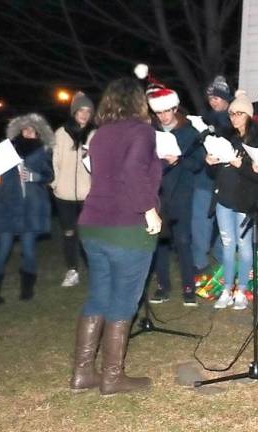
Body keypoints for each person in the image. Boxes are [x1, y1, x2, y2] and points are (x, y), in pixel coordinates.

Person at [70, 77, 162, 395]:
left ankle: (82, 373)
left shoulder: (99, 135)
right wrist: (148, 208)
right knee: (123, 301)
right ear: (139, 102)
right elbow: (133, 172)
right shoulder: (142, 131)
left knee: (98, 295)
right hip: (126, 227)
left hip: (93, 225)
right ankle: (112, 377)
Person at [206, 91, 258, 310]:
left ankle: (242, 289)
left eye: (239, 113)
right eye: (231, 114)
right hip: (224, 198)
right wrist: (211, 160)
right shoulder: (229, 137)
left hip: (244, 200)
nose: (234, 118)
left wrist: (243, 166)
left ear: (249, 115)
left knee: (245, 247)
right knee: (228, 245)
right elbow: (221, 166)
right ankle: (227, 288)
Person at [0, 113, 55, 305]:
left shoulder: (43, 151)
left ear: (38, 132)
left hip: (31, 208)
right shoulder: (7, 149)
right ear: (20, 130)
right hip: (8, 208)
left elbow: (49, 175)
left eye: (33, 129)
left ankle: (27, 287)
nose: (29, 131)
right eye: (26, 128)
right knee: (2, 249)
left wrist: (34, 177)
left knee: (29, 250)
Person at [146, 78, 203, 306]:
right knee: (159, 241)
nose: (163, 117)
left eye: (166, 111)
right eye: (158, 113)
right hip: (157, 193)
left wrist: (179, 160)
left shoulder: (189, 132)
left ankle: (189, 287)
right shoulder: (150, 132)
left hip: (181, 192)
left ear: (175, 108)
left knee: (182, 240)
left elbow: (198, 163)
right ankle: (163, 286)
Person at [52, 92, 95, 287]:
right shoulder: (60, 133)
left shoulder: (95, 134)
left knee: (89, 234)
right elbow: (54, 162)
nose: (84, 115)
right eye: (81, 110)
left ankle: (94, 269)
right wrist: (55, 184)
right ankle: (72, 270)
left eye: (88, 111)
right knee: (69, 233)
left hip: (88, 194)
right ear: (74, 112)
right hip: (64, 194)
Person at [192, 75, 233, 276]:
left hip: (227, 178)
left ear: (226, 97)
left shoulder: (234, 117)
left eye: (217, 97)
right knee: (200, 220)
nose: (213, 100)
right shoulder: (204, 120)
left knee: (227, 220)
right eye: (210, 97)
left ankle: (220, 252)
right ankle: (199, 262)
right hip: (205, 179)